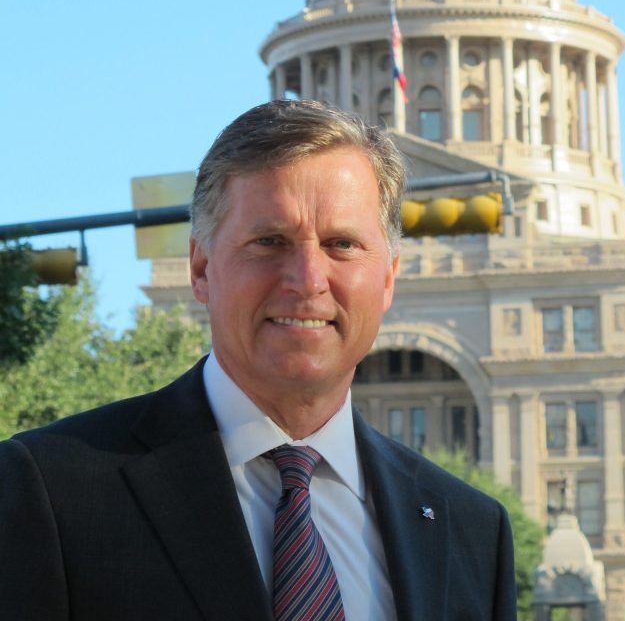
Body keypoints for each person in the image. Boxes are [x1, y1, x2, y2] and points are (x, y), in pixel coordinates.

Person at [0, 100, 517, 620]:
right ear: (200, 269)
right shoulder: (49, 489)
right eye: (270, 241)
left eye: (341, 244)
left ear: (387, 279)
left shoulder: (472, 530)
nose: (308, 279)